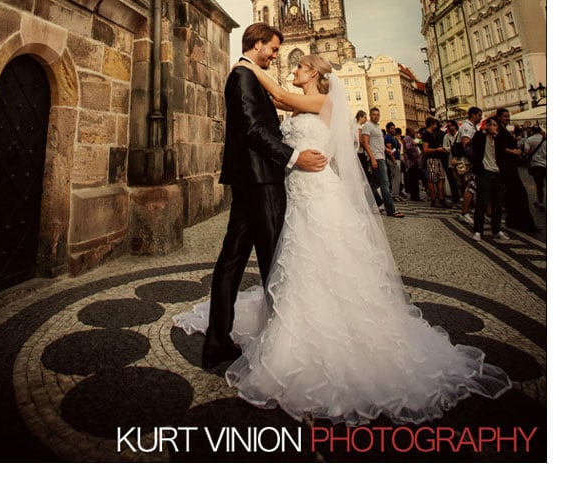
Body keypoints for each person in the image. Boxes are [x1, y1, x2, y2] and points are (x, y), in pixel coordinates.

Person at [174, 56, 510, 424]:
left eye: (299, 68)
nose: (293, 71)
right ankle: (300, 318)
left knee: (323, 254)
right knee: (302, 259)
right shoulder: (311, 102)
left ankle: (325, 332)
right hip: (297, 188)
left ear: (314, 74)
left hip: (316, 189)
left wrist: (250, 66)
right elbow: (281, 105)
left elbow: (282, 97)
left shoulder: (322, 101)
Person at [201, 23, 327, 369]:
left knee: (233, 259)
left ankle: (218, 341)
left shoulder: (248, 74)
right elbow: (255, 130)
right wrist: (293, 156)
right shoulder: (242, 75)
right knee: (276, 262)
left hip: (251, 181)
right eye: (272, 49)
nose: (275, 55)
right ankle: (282, 348)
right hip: (261, 182)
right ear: (256, 45)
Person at [495, 108, 539, 235]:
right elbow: (500, 148)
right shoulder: (499, 131)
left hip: (509, 165)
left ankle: (514, 221)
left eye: (508, 116)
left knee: (513, 195)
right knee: (519, 194)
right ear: (498, 117)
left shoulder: (504, 130)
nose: (507, 118)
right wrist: (512, 151)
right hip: (506, 166)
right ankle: (524, 223)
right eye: (504, 116)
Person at [361, 108, 405, 218]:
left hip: (381, 157)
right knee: (385, 184)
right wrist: (372, 158)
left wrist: (386, 149)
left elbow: (378, 143)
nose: (376, 116)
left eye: (378, 114)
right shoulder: (368, 126)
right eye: (374, 114)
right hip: (376, 158)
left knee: (374, 185)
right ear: (370, 115)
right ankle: (391, 210)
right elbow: (365, 143)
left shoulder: (377, 127)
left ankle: (362, 205)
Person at [470, 118, 508, 242]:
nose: (492, 127)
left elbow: (503, 153)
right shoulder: (480, 137)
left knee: (497, 203)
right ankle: (477, 231)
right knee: (482, 202)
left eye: (495, 125)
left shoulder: (499, 139)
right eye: (490, 124)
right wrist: (483, 131)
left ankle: (497, 230)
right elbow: (473, 146)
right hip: (484, 172)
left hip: (496, 172)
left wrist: (498, 137)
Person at [456, 107, 482, 224]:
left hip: (470, 161)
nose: (480, 117)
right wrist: (477, 159)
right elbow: (466, 144)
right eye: (479, 115)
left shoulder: (471, 126)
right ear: (473, 115)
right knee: (470, 186)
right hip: (467, 161)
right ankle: (464, 213)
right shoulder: (467, 127)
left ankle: (484, 212)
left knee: (475, 186)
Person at [421, 116, 446, 207]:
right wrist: (436, 149)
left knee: (441, 178)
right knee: (432, 179)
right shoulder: (426, 134)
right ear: (432, 124)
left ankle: (441, 197)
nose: (436, 125)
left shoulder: (433, 134)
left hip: (438, 158)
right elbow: (425, 149)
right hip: (431, 159)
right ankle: (433, 199)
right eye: (435, 124)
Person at [524, 126, 546, 210]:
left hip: (536, 165)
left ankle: (540, 202)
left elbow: (526, 151)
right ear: (540, 131)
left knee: (539, 186)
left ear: (532, 131)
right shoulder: (546, 139)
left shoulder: (529, 140)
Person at [402, 127, 422, 201]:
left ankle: (415, 196)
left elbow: (419, 143)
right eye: (413, 131)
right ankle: (414, 196)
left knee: (415, 179)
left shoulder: (412, 138)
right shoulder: (407, 138)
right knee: (413, 179)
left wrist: (419, 140)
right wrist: (414, 159)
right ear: (409, 131)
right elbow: (409, 148)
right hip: (411, 162)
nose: (414, 132)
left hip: (413, 161)